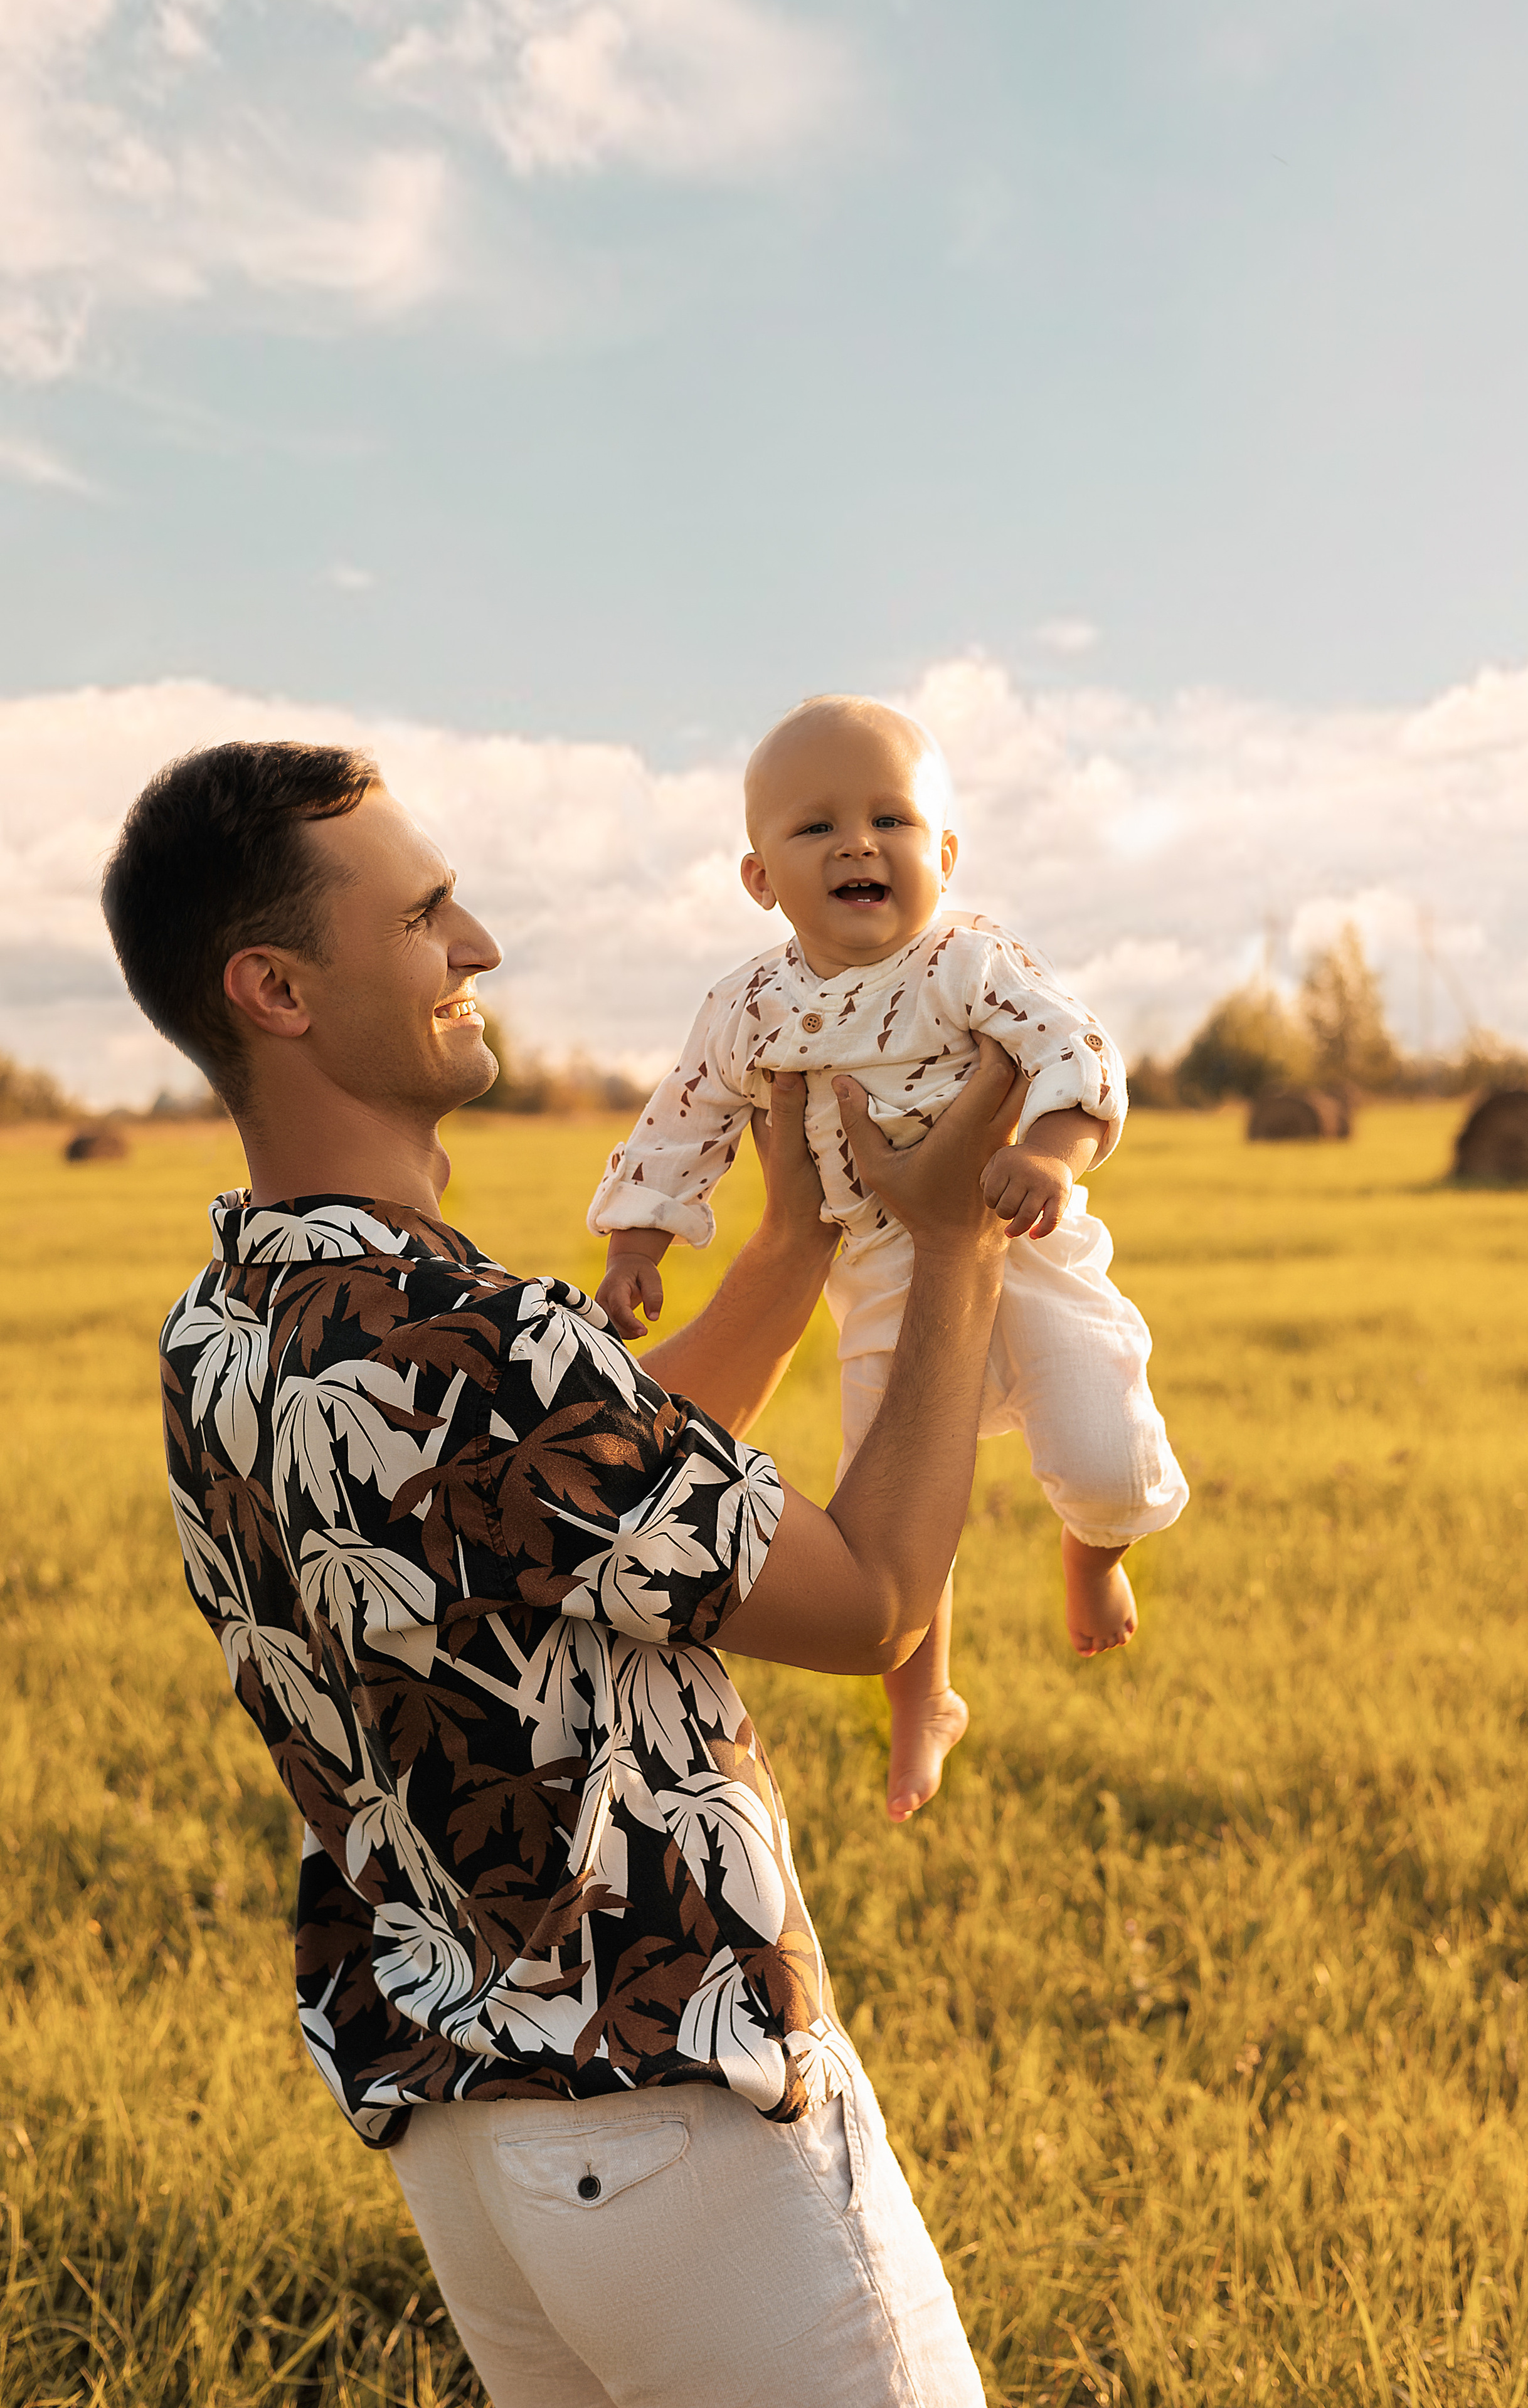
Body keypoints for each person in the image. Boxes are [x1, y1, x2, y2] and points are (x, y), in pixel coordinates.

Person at [102, 737, 1031, 2408]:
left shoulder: (235, 1331)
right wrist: (954, 1244)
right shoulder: (478, 1342)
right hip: (680, 2113)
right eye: (428, 917)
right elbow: (872, 1594)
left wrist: (793, 1245)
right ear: (278, 989)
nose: (480, 951)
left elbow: (581, 1498)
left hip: (473, 2147)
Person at [588, 695, 1188, 1822]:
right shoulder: (749, 1004)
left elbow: (1072, 1043)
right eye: (816, 829)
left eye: (893, 821)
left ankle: (1096, 1544)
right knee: (890, 1508)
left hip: (1024, 1241)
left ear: (945, 856)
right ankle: (927, 1710)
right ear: (762, 880)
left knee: (1104, 1448)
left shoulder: (969, 959)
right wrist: (638, 1239)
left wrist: (1053, 1155)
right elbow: (686, 1118)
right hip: (876, 1270)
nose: (859, 844)